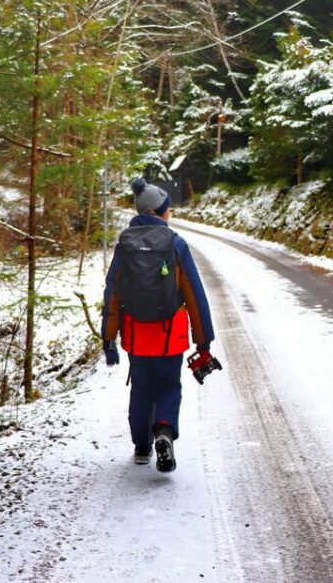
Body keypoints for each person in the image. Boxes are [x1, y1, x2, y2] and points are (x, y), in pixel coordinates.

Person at [101, 178, 215, 473]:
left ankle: (141, 446)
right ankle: (163, 430)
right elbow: (194, 295)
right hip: (170, 335)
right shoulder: (176, 244)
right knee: (167, 385)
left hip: (137, 335)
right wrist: (203, 340)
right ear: (159, 211)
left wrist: (108, 339)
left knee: (140, 388)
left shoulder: (125, 245)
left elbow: (113, 294)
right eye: (167, 209)